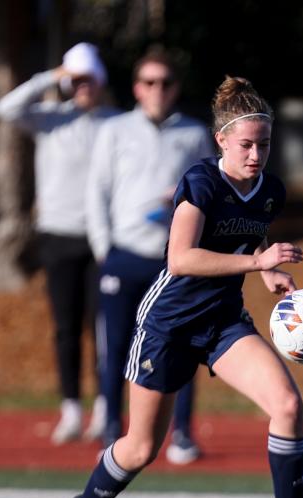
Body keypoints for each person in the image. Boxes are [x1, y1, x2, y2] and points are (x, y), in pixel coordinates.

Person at [63, 76, 303, 498]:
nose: (256, 155)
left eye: (265, 144)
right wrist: (258, 264)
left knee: (288, 405)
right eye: (247, 145)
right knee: (141, 448)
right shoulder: (200, 182)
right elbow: (182, 259)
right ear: (221, 141)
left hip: (222, 322)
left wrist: (267, 270)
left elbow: (239, 252)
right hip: (167, 325)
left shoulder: (270, 192)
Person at [85, 48, 211, 464]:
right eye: (150, 82)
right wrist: (106, 250)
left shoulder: (193, 135)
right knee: (117, 344)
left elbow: (212, 196)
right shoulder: (115, 130)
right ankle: (110, 427)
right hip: (125, 254)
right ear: (138, 88)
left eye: (166, 82)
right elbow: (97, 192)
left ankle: (183, 434)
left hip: (174, 259)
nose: (158, 90)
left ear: (176, 88)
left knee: (183, 345)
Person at [0, 42, 119, 445]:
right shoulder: (50, 119)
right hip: (57, 236)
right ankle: (71, 408)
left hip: (104, 239)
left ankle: (106, 407)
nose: (83, 87)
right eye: (77, 81)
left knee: (103, 328)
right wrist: (53, 76)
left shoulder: (116, 123)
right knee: (65, 328)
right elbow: (6, 108)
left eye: (89, 80)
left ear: (100, 83)